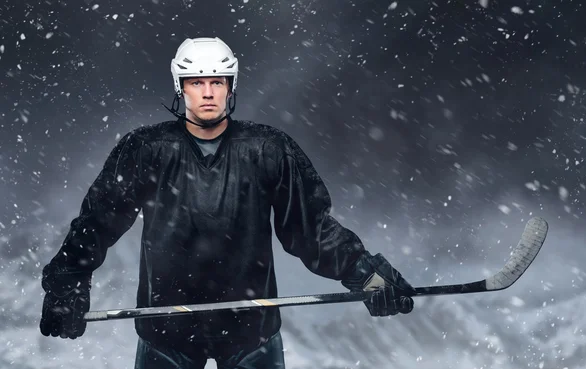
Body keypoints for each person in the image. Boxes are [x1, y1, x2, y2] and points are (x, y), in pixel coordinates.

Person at [39, 37, 416, 369]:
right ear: (180, 87)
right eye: (196, 82)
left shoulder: (269, 148)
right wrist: (67, 288)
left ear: (230, 87)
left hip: (251, 331)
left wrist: (366, 273)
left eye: (216, 82)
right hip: (166, 331)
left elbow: (309, 229)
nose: (207, 92)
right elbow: (98, 222)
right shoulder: (146, 149)